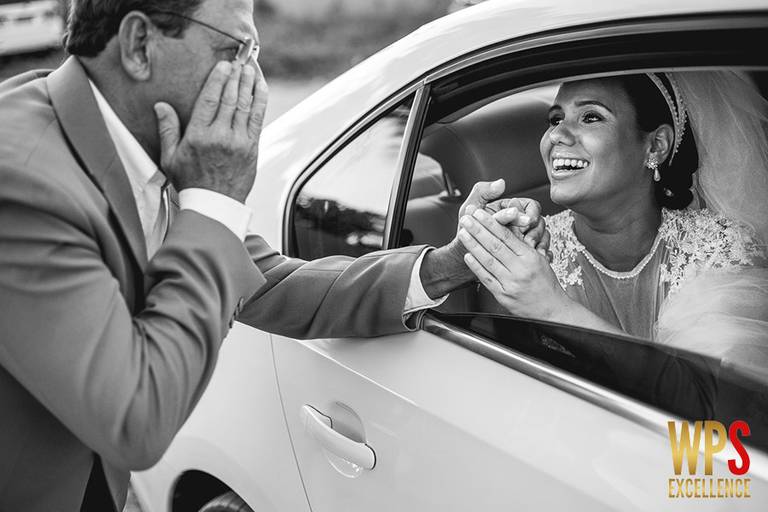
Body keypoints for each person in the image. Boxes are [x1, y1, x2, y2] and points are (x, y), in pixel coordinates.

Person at [0, 1, 548, 510]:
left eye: (255, 56)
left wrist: (447, 264)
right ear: (140, 44)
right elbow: (136, 420)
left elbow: (270, 285)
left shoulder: (142, 141)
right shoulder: (20, 179)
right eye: (234, 51)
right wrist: (213, 199)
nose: (254, 83)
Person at [457, 71, 768, 344]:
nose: (556, 135)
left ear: (656, 145)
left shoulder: (720, 248)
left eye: (591, 116)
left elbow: (708, 400)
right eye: (554, 119)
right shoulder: (526, 252)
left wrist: (551, 308)